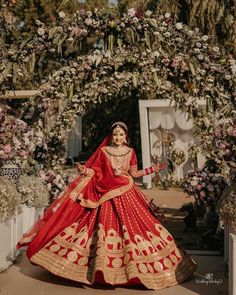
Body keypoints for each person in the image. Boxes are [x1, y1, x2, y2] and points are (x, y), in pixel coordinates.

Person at [17, 121, 197, 290]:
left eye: (121, 134)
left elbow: (134, 173)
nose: (118, 137)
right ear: (112, 136)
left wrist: (153, 170)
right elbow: (96, 171)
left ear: (125, 136)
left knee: (139, 226)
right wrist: (84, 170)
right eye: (115, 134)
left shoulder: (130, 152)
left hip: (127, 193)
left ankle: (139, 268)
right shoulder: (104, 152)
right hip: (105, 195)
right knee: (96, 225)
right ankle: (97, 268)